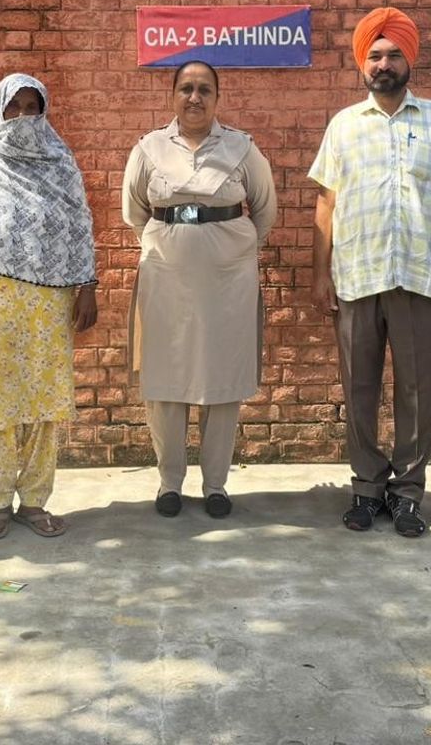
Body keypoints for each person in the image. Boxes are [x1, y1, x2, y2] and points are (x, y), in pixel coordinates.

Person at [310, 7, 431, 537]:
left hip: (420, 277)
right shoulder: (343, 125)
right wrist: (320, 274)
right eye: (375, 55)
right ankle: (366, 487)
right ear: (363, 63)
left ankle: (407, 493)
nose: (384, 64)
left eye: (394, 55)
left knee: (417, 391)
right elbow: (326, 203)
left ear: (410, 60)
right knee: (358, 388)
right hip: (357, 276)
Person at [0, 74, 98, 540]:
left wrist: (87, 287)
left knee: (44, 403)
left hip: (50, 299)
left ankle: (34, 500)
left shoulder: (60, 162)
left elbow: (79, 225)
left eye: (33, 109)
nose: (23, 118)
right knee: (0, 403)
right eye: (15, 108)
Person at [122, 60, 276, 519]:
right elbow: (134, 212)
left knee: (221, 379)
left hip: (228, 281)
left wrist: (227, 249)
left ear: (217, 98)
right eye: (186, 88)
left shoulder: (242, 148)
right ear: (173, 95)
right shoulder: (149, 148)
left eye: (204, 89)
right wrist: (174, 243)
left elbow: (264, 209)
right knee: (165, 377)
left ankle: (215, 485)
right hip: (166, 277)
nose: (195, 97)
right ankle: (170, 482)